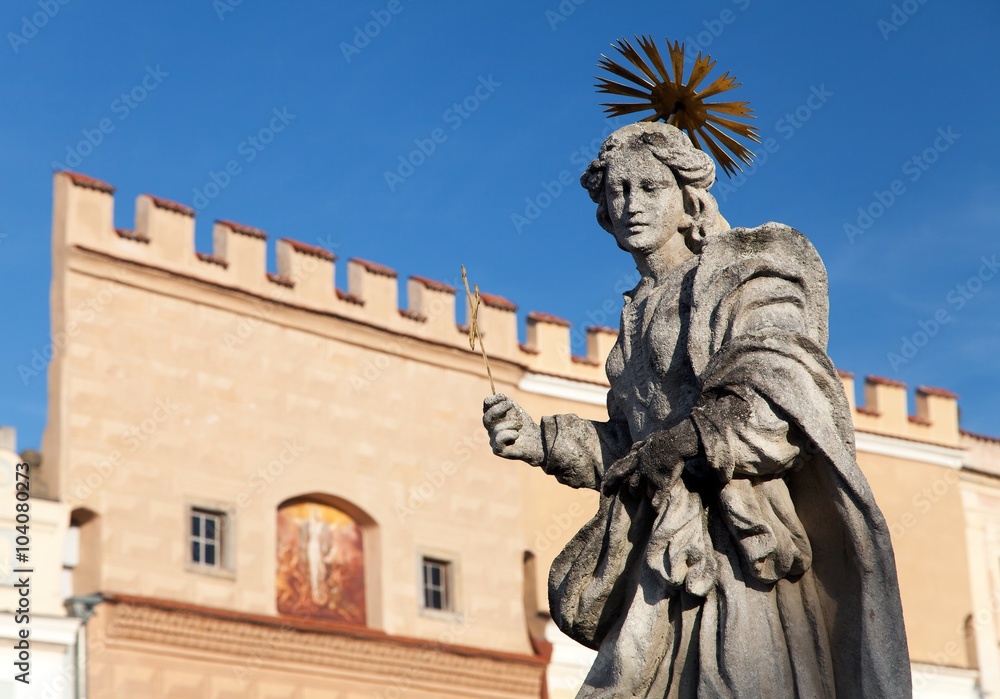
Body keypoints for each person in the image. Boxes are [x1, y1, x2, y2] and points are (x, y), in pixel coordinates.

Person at [482, 122, 911, 698]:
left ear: (689, 199)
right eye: (617, 191)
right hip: (658, 556)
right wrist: (540, 440)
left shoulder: (743, 276)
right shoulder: (634, 318)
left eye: (649, 187)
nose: (631, 204)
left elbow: (779, 394)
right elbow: (630, 448)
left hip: (735, 549)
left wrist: (691, 439)